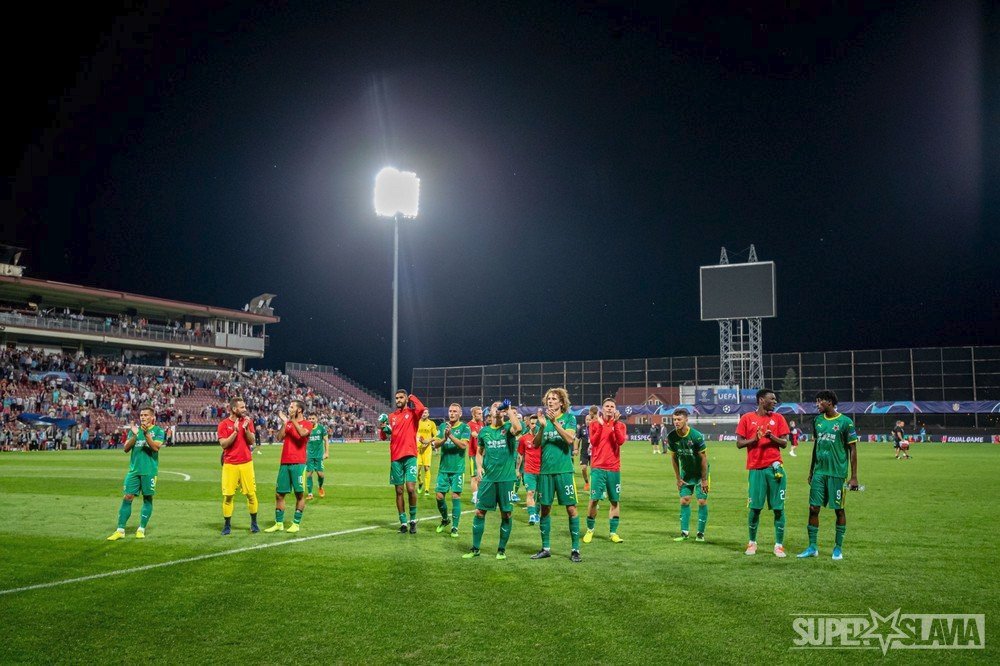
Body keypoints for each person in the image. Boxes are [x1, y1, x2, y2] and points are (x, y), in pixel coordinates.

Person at [798, 391, 859, 560]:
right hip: (819, 473)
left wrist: (853, 477)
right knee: (813, 508)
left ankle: (838, 548)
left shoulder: (846, 422)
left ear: (830, 402)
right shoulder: (817, 421)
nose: (817, 405)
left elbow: (853, 450)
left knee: (839, 510)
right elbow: (816, 446)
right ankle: (812, 547)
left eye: (820, 402)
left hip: (837, 474)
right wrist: (811, 471)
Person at [463, 401, 522, 559]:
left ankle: (501, 550)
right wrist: (479, 467)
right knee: (480, 512)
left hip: (506, 479)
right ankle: (475, 548)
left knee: (507, 514)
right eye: (496, 407)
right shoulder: (484, 432)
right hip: (488, 479)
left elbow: (519, 429)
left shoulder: (508, 428)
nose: (498, 409)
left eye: (500, 407)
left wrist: (509, 411)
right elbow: (479, 452)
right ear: (490, 412)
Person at [735, 389, 790, 557]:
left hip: (775, 470)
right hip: (756, 470)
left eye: (775, 399)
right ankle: (752, 543)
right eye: (771, 399)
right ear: (761, 400)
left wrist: (771, 437)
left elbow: (784, 443)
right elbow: (739, 444)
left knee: (779, 509)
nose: (775, 401)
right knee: (755, 508)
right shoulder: (746, 418)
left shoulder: (778, 418)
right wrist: (755, 439)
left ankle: (779, 545)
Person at [531, 387, 581, 563]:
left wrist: (555, 422)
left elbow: (569, 439)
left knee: (571, 509)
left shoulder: (569, 418)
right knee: (545, 508)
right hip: (545, 472)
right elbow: (535, 444)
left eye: (554, 399)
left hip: (564, 471)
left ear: (561, 402)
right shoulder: (541, 421)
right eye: (548, 399)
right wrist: (542, 426)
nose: (550, 401)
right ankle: (545, 548)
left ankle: (575, 549)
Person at [107, 405, 164, 540]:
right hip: (134, 471)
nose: (143, 417)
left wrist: (145, 434)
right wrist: (136, 433)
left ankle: (141, 528)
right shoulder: (134, 431)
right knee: (127, 497)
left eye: (146, 415)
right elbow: (126, 448)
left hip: (149, 471)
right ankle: (120, 530)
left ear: (152, 417)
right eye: (141, 415)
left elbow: (155, 448)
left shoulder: (158, 431)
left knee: (147, 498)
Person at [379, 390, 426, 533]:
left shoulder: (413, 414)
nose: (398, 400)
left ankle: (413, 519)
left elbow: (422, 408)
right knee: (399, 491)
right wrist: (383, 427)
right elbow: (383, 436)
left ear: (406, 398)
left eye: (401, 397)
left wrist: (412, 396)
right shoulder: (392, 416)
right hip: (396, 458)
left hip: (410, 456)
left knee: (411, 488)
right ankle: (403, 522)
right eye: (396, 398)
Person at [264, 400, 313, 533]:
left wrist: (292, 421)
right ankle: (279, 523)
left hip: (299, 463)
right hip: (284, 462)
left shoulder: (307, 423)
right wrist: (286, 423)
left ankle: (296, 524)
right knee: (279, 494)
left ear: (299, 410)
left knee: (299, 494)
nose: (289, 408)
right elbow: (279, 437)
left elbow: (302, 434)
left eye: (292, 407)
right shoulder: (289, 423)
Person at [583, 399, 627, 544]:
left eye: (612, 407)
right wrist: (601, 427)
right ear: (602, 409)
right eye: (607, 406)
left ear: (615, 409)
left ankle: (613, 533)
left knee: (614, 501)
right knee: (594, 499)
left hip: (614, 469)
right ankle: (590, 530)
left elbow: (620, 441)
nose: (609, 409)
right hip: (598, 468)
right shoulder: (594, 424)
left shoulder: (620, 425)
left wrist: (614, 424)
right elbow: (594, 442)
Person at [217, 397, 260, 535]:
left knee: (251, 494)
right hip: (230, 465)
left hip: (246, 463)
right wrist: (235, 432)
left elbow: (252, 441)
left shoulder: (248, 422)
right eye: (242, 407)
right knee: (228, 496)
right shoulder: (223, 424)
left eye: (244, 407)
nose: (245, 409)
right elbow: (223, 444)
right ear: (234, 409)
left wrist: (246, 429)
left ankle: (254, 524)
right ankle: (227, 525)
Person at [666, 409, 709, 542]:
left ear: (686, 420)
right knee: (684, 500)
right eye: (674, 419)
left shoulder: (696, 436)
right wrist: (678, 478)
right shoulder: (672, 437)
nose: (676, 422)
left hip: (701, 473)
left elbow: (703, 458)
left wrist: (704, 480)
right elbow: (673, 458)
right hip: (686, 473)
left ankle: (700, 534)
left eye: (679, 419)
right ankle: (684, 533)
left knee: (701, 501)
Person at [432, 403, 471, 537]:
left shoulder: (465, 427)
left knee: (455, 496)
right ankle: (445, 519)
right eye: (450, 411)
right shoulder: (443, 426)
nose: (452, 413)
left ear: (460, 414)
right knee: (439, 496)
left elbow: (463, 445)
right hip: (443, 469)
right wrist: (444, 437)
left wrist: (451, 436)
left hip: (457, 470)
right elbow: (435, 444)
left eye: (455, 411)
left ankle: (455, 527)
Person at [516, 414, 541, 525]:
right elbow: (520, 455)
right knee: (530, 493)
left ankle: (536, 513)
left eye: (536, 423)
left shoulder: (544, 439)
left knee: (540, 495)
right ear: (529, 424)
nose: (534, 425)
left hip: (542, 472)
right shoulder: (523, 439)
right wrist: (517, 469)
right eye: (532, 423)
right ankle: (531, 515)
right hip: (529, 471)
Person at [305, 412, 329, 500]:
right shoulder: (306, 429)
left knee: (320, 474)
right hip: (309, 456)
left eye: (313, 418)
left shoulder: (321, 428)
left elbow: (326, 440)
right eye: (309, 419)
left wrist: (326, 453)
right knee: (309, 474)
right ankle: (310, 493)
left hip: (319, 456)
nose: (311, 420)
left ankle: (320, 487)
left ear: (316, 419)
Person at [416, 410, 437, 497]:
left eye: (425, 413)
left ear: (428, 414)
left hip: (427, 449)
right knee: (416, 470)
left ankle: (427, 489)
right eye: (422, 413)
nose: (424, 414)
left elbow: (436, 435)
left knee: (427, 468)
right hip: (417, 449)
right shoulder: (416, 422)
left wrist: (428, 441)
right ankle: (420, 482)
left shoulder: (431, 423)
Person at [467, 406, 484, 504]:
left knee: (480, 475)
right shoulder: (470, 424)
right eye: (479, 413)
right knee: (474, 476)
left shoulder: (481, 423)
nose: (481, 415)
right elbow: (474, 434)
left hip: (481, 454)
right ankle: (474, 496)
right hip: (473, 454)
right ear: (474, 414)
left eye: (481, 413)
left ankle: (479, 494)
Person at [578, 406, 596, 491]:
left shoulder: (595, 428)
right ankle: (587, 483)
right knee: (583, 468)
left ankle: (595, 484)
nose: (588, 421)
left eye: (589, 420)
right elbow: (577, 439)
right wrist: (575, 449)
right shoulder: (582, 428)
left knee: (594, 470)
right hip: (584, 453)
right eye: (587, 420)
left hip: (594, 452)